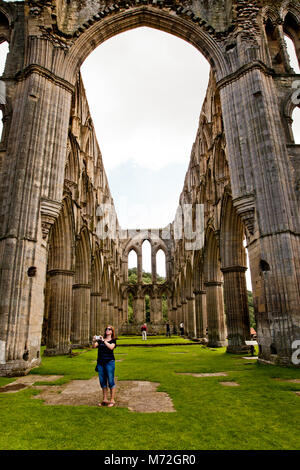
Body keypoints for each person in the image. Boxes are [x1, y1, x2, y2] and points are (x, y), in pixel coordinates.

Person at [93, 325, 117, 407]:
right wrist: (94, 340)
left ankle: (112, 400)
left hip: (109, 362)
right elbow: (94, 346)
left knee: (110, 381)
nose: (107, 330)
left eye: (109, 329)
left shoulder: (113, 340)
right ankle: (105, 399)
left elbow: (111, 347)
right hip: (100, 363)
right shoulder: (100, 340)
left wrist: (104, 341)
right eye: (106, 329)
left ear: (111, 332)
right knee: (102, 382)